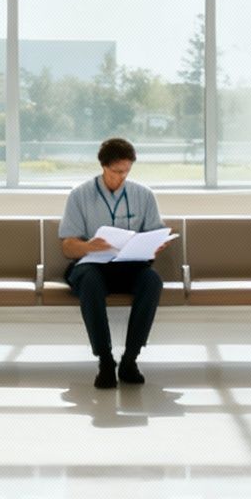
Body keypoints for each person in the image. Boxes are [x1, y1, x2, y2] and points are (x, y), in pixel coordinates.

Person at [58, 136, 166, 389]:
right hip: (92, 265)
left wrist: (155, 245)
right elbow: (67, 246)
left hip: (130, 266)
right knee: (91, 282)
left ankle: (130, 359)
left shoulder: (144, 195)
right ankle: (105, 360)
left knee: (152, 282)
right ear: (103, 166)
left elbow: (154, 233)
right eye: (117, 171)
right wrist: (88, 246)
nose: (122, 176)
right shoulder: (80, 195)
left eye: (127, 171)